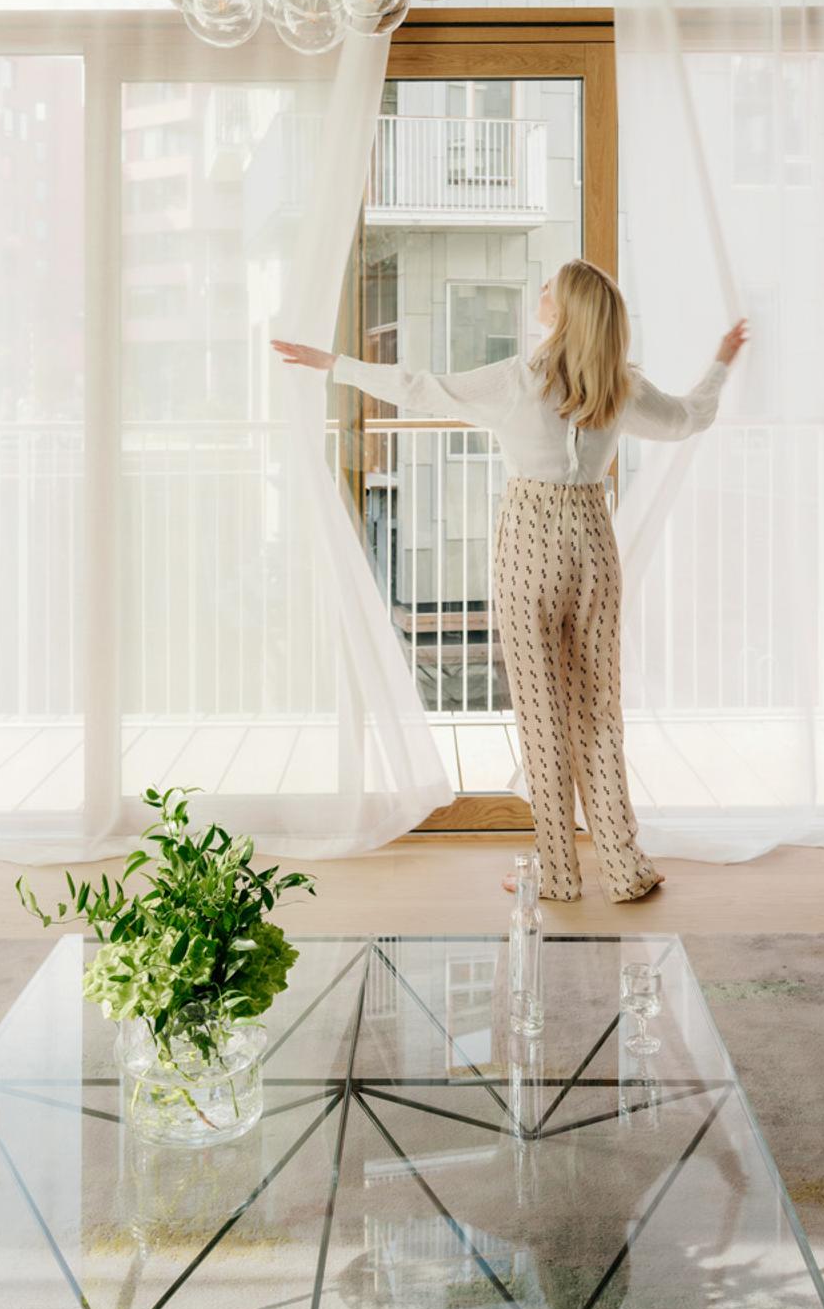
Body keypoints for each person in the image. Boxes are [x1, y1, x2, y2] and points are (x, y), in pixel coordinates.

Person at [274, 260, 746, 904]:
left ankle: (557, 871)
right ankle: (624, 864)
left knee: (542, 710)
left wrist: (334, 364)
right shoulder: (620, 385)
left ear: (565, 309)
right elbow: (689, 418)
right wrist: (720, 362)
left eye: (549, 287)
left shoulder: (518, 380)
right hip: (592, 539)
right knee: (597, 706)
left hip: (529, 536)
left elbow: (420, 387)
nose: (541, 293)